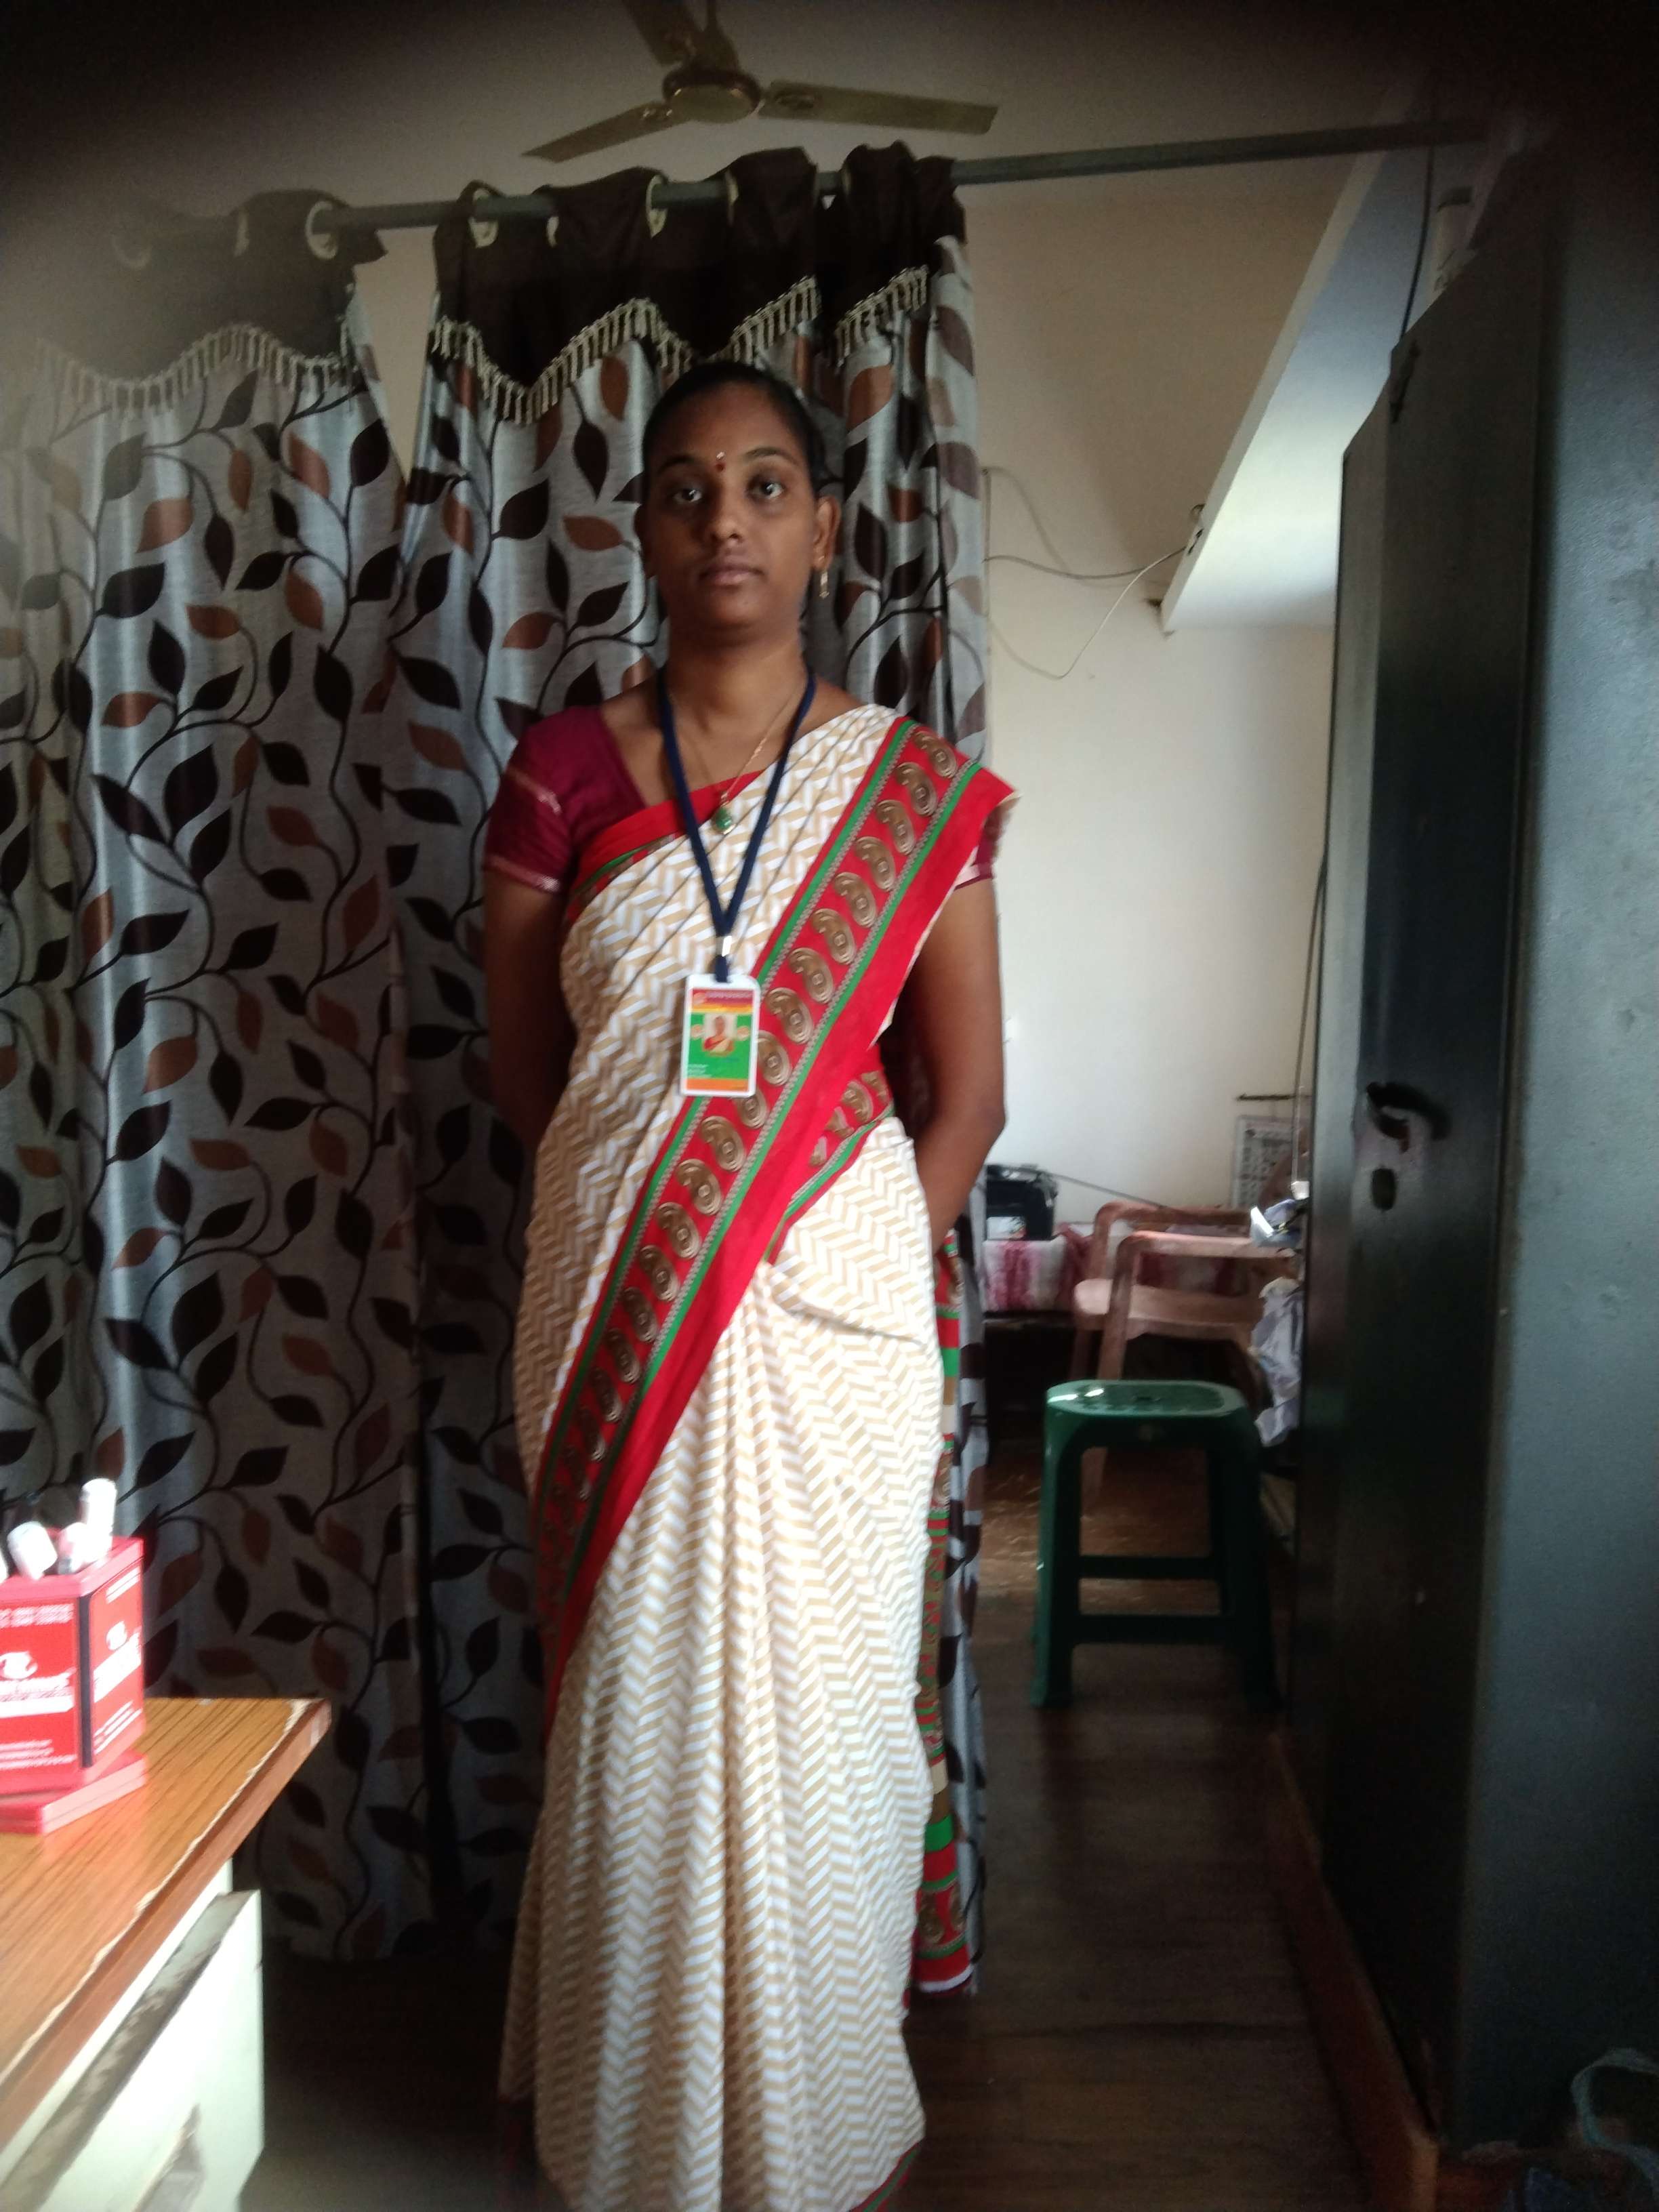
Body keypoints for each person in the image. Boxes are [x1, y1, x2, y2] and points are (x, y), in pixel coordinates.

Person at [483, 359, 1012, 2212]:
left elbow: (971, 1097)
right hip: (614, 1297)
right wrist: (653, 1213)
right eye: (690, 488)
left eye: (768, 484)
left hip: (835, 1328)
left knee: (826, 1713)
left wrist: (835, 1253)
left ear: (827, 529)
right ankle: (631, 2116)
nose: (729, 520)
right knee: (639, 1711)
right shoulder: (561, 771)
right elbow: (530, 1073)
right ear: (642, 527)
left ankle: (812, 2104)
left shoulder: (909, 792)